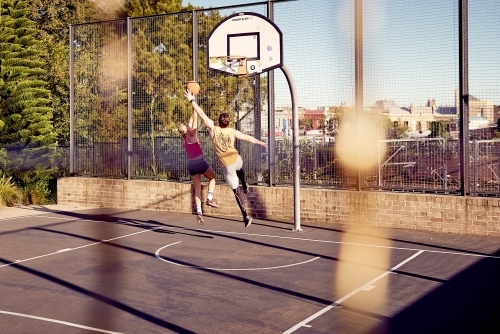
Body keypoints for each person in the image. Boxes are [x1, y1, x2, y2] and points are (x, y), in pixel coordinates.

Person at [184, 89, 268, 228]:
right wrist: (260, 142)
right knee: (240, 166)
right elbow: (247, 138)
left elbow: (201, 113)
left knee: (237, 192)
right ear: (228, 123)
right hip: (236, 159)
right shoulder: (232, 131)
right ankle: (244, 182)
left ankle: (245, 215)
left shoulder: (214, 129)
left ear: (218, 121)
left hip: (227, 167)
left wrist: (192, 100)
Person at [178, 107, 219, 225]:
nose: (187, 123)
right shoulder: (192, 135)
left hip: (191, 165)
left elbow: (191, 121)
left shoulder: (185, 138)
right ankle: (210, 199)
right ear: (187, 129)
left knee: (197, 189)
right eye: (186, 125)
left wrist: (192, 109)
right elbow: (195, 120)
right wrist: (194, 103)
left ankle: (199, 213)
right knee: (212, 178)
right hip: (200, 162)